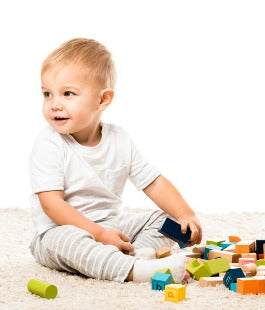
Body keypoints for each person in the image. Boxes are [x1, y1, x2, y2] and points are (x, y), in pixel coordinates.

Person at [28, 38, 202, 283]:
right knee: (68, 241)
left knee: (168, 221)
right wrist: (98, 234)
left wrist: (187, 214)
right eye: (47, 94)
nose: (54, 104)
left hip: (112, 225)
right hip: (58, 231)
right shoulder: (48, 144)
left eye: (68, 94)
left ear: (103, 100)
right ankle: (135, 271)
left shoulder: (120, 139)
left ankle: (140, 254)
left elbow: (154, 182)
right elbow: (51, 205)